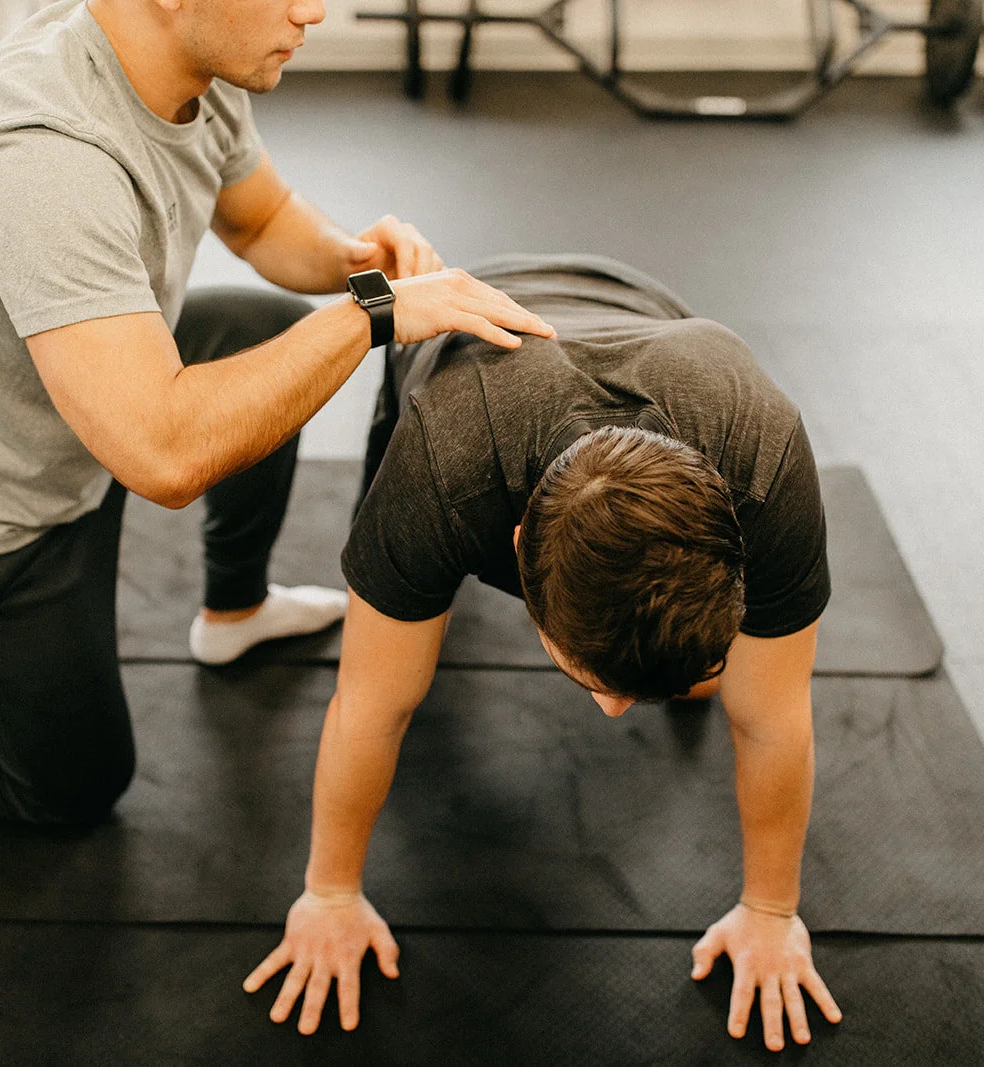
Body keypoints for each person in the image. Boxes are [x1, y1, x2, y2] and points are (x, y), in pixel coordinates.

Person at [0, 0, 553, 826]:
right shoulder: (43, 152)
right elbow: (162, 455)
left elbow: (259, 221)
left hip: (75, 416)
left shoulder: (195, 63)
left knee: (266, 336)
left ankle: (234, 611)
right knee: (70, 784)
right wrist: (373, 315)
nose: (314, 12)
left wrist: (364, 270)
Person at [245, 255, 844, 1052]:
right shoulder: (444, 463)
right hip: (460, 327)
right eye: (590, 678)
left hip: (641, 304)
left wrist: (772, 911)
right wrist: (327, 893)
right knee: (397, 639)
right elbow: (371, 704)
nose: (611, 710)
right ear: (516, 545)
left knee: (724, 686)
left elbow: (773, 718)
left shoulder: (762, 461)